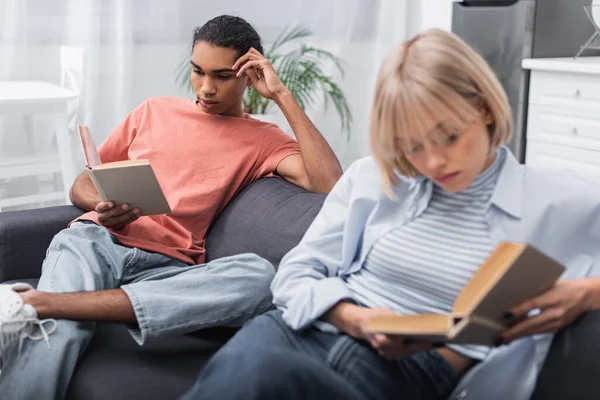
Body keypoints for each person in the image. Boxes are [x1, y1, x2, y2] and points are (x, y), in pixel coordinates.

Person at [177, 29, 600, 400]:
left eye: (448, 137)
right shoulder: (373, 179)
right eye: (412, 146)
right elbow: (293, 274)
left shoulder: (556, 197)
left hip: (407, 372)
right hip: (295, 331)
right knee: (249, 372)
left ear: (486, 109)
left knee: (257, 377)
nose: (433, 161)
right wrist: (353, 317)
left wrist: (586, 293)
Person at [0, 15, 343, 400]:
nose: (206, 87)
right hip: (96, 239)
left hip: (169, 266)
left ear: (248, 75)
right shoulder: (154, 111)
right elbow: (82, 183)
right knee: (62, 327)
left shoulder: (264, 139)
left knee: (261, 276)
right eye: (198, 72)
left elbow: (329, 183)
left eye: (222, 76)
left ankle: (50, 302)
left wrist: (282, 96)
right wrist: (102, 203)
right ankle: (58, 307)